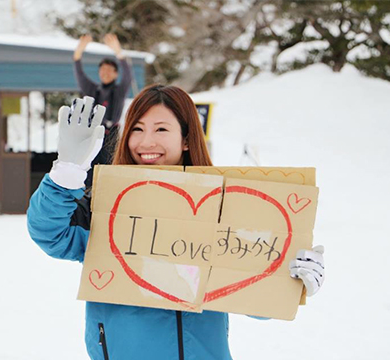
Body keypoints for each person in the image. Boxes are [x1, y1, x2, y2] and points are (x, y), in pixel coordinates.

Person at [27, 85, 326, 360]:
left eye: (161, 129)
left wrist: (289, 280)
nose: (146, 141)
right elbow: (49, 234)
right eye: (138, 129)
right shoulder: (106, 204)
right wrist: (67, 171)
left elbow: (251, 293)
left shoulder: (222, 204)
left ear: (185, 138)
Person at [73, 33, 133, 187]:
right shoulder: (93, 90)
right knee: (88, 169)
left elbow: (127, 77)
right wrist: (78, 52)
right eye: (102, 70)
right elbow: (80, 74)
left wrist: (118, 52)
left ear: (115, 73)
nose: (105, 73)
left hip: (111, 134)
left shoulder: (119, 91)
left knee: (110, 170)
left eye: (109, 70)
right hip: (93, 133)